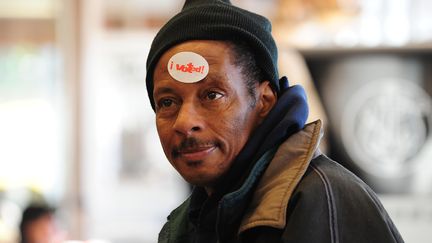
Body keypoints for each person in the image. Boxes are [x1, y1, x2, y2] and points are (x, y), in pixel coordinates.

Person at [145, 0, 405, 242]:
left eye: (212, 95)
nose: (185, 122)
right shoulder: (195, 219)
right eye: (167, 102)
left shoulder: (323, 199)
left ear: (264, 101)